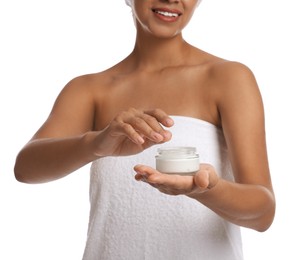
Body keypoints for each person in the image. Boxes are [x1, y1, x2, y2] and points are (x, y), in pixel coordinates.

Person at [14, 0, 275, 259]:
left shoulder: (227, 78)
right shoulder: (90, 90)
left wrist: (206, 190)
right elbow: (26, 168)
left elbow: (263, 213)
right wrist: (95, 144)